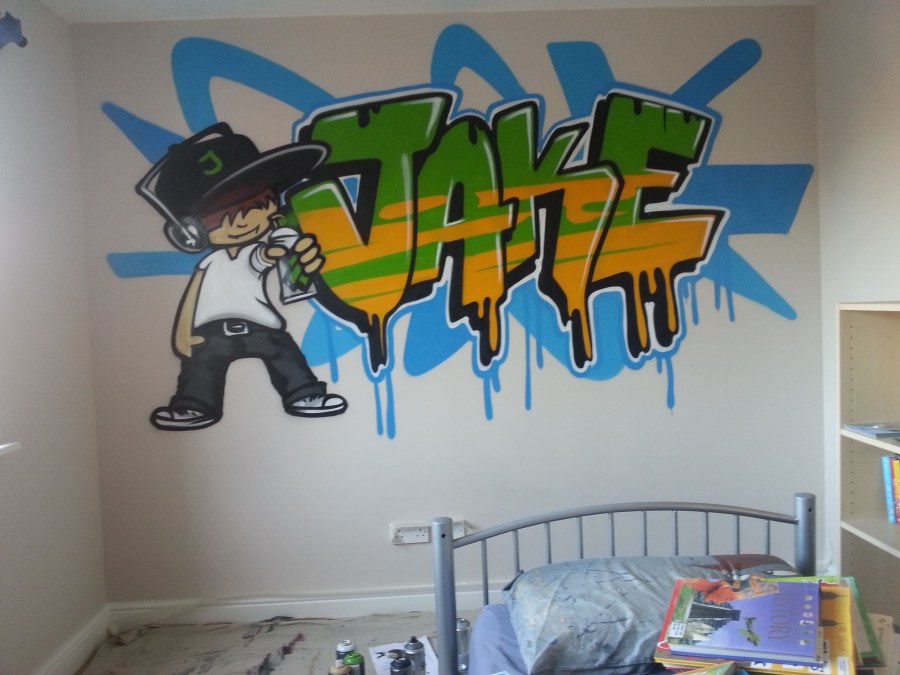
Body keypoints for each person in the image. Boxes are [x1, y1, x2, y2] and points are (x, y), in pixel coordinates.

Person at [136, 123, 347, 430]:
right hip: (211, 332)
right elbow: (193, 297)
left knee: (286, 355)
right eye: (225, 217)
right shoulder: (212, 261)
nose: (249, 221)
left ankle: (305, 395)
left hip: (261, 326)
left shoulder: (258, 250)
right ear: (189, 234)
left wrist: (292, 256)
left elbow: (264, 257)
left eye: (260, 204)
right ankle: (194, 407)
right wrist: (183, 333)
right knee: (200, 369)